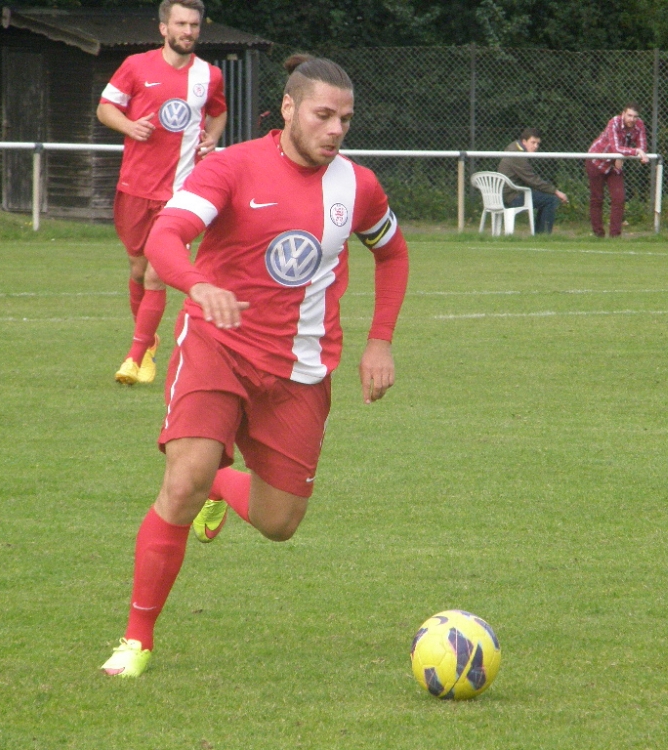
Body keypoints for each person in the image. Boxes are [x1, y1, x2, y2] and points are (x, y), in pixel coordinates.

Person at [100, 53, 410, 678]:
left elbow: (393, 253)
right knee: (183, 480)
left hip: (300, 367)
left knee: (279, 523)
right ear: (289, 108)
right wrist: (197, 285)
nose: (336, 130)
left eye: (345, 119)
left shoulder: (358, 186)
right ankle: (136, 639)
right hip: (218, 345)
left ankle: (222, 484)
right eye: (323, 115)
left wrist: (380, 341)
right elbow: (166, 235)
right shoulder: (231, 167)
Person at [96, 0, 228, 385]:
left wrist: (212, 138)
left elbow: (218, 111)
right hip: (136, 188)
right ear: (164, 28)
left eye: (194, 25)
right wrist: (129, 126)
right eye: (181, 24)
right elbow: (105, 108)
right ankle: (148, 339)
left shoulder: (210, 75)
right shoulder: (136, 66)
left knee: (157, 274)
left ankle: (135, 358)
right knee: (138, 271)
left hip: (183, 194)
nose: (188, 31)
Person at [586, 104, 649, 238]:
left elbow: (642, 147)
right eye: (629, 115)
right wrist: (634, 152)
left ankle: (615, 236)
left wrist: (638, 153)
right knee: (597, 199)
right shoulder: (614, 122)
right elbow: (616, 148)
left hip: (615, 165)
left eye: (635, 116)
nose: (632, 119)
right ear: (623, 114)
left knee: (619, 198)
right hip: (597, 161)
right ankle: (598, 234)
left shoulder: (639, 125)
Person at [497, 128, 568, 234]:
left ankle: (540, 234)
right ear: (524, 141)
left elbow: (530, 180)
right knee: (551, 200)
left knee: (545, 197)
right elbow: (532, 180)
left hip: (507, 193)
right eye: (533, 142)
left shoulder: (514, 146)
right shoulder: (517, 155)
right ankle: (543, 235)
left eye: (538, 143)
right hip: (511, 196)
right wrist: (556, 191)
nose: (535, 146)